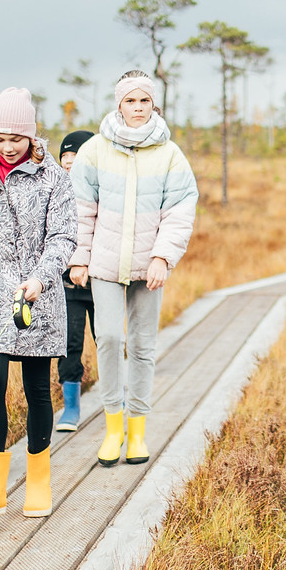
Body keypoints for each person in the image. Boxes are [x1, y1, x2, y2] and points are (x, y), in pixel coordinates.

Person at [67, 71, 198, 467]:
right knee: (107, 337)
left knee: (142, 346)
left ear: (153, 104)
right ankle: (112, 428)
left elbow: (179, 211)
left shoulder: (170, 154)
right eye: (130, 101)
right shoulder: (95, 151)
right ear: (118, 104)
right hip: (104, 263)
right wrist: (78, 257)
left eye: (144, 101)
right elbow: (79, 208)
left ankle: (137, 429)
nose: (137, 108)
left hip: (149, 267)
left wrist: (162, 257)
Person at [0, 87, 76, 519]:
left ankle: (38, 484)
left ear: (31, 136)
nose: (7, 147)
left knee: (36, 387)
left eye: (15, 138)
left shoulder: (53, 179)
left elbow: (63, 237)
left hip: (36, 294)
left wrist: (42, 278)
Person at [54, 128, 97, 432]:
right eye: (64, 157)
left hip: (102, 280)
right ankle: (71, 407)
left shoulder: (104, 191)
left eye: (75, 155)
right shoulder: (54, 193)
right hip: (67, 285)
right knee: (70, 343)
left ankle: (116, 399)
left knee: (108, 339)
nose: (68, 162)